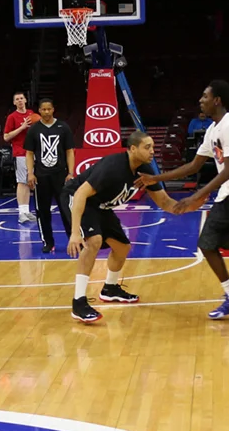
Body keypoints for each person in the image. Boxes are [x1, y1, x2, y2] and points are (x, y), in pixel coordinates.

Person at [138, 80, 229, 325]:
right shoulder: (212, 129)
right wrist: (155, 178)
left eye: (205, 96)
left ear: (217, 100)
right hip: (227, 195)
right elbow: (194, 165)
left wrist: (197, 195)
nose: (201, 100)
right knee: (207, 244)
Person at [64, 131, 184, 323]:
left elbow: (164, 202)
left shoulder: (145, 170)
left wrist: (188, 205)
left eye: (153, 147)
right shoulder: (113, 166)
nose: (152, 151)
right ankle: (78, 302)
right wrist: (75, 233)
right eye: (147, 147)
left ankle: (110, 288)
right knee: (94, 241)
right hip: (78, 198)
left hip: (101, 206)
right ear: (133, 148)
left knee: (122, 247)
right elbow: (80, 194)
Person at [24, 98, 77, 253]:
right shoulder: (34, 129)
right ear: (39, 111)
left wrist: (71, 173)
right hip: (41, 176)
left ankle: (73, 239)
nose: (46, 112)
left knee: (67, 209)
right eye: (44, 109)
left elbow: (69, 151)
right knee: (42, 211)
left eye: (49, 109)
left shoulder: (63, 127)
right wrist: (30, 173)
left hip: (61, 175)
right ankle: (48, 242)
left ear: (53, 109)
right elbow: (29, 153)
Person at [3, 91, 38, 222]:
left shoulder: (32, 114)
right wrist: (22, 127)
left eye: (21, 98)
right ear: (14, 102)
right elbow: (6, 137)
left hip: (33, 152)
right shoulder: (12, 117)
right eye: (17, 99)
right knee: (22, 182)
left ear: (25, 100)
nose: (19, 100)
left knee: (29, 182)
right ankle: (21, 213)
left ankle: (26, 211)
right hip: (21, 153)